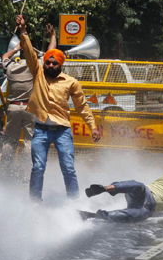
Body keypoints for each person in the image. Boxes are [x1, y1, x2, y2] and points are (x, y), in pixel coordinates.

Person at [17, 15, 101, 201]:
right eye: (48, 62)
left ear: (60, 65)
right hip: (40, 130)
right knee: (38, 167)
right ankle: (34, 202)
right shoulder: (38, 73)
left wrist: (92, 126)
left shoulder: (71, 82)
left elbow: (82, 106)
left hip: (62, 131)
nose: (51, 65)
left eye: (55, 63)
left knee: (68, 168)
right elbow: (30, 52)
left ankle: (74, 202)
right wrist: (23, 31)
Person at [0, 23, 58, 181]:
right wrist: (53, 35)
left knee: (10, 141)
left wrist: (17, 47)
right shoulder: (36, 67)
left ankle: (5, 172)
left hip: (13, 107)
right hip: (31, 108)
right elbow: (52, 54)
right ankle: (26, 173)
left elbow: (4, 56)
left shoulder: (11, 68)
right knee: (29, 141)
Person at [80, 161, 163, 222]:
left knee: (131, 216)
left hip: (148, 209)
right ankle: (105, 188)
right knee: (137, 185)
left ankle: (92, 216)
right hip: (146, 193)